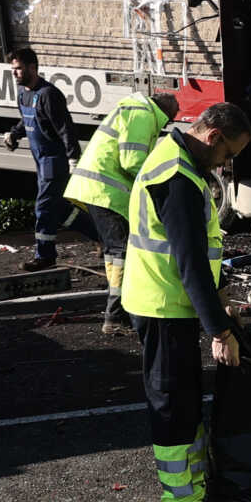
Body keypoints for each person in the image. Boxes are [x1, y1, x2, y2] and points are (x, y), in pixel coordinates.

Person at [121, 102, 251, 502]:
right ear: (213, 136)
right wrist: (218, 329)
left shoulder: (178, 161)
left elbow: (201, 256)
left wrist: (218, 306)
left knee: (183, 401)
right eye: (228, 154)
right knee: (174, 408)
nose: (228, 163)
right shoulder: (177, 178)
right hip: (162, 306)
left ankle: (195, 494)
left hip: (167, 304)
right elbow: (190, 263)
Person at [62, 87, 178, 331]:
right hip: (106, 193)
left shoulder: (135, 109)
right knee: (122, 252)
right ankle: (115, 316)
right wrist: (158, 184)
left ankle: (117, 312)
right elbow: (132, 161)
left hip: (97, 189)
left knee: (115, 252)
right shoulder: (145, 115)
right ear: (166, 114)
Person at [2, 48, 80, 273]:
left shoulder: (48, 95)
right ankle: (104, 237)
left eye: (18, 69)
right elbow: (29, 120)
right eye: (12, 69)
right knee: (62, 210)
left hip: (54, 161)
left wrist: (73, 158)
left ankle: (45, 256)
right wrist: (14, 134)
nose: (15, 74)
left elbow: (66, 129)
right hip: (40, 160)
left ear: (32, 68)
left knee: (43, 207)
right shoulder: (23, 94)